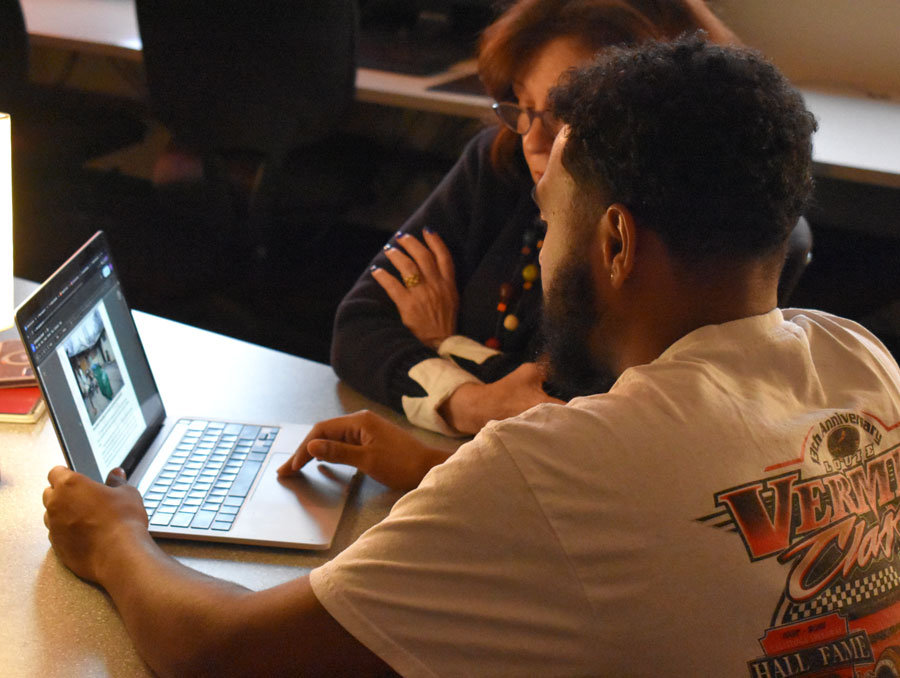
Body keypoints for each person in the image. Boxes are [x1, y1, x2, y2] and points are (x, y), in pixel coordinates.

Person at [43, 37, 900, 675]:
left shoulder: (563, 465)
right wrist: (432, 474)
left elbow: (221, 655)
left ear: (615, 242)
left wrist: (117, 537)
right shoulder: (858, 361)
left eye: (550, 220)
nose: (542, 242)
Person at [331, 0, 739, 436]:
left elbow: (582, 411)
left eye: (564, 116)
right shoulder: (499, 162)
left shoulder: (669, 238)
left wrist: (441, 344)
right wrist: (469, 403)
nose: (533, 139)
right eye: (523, 105)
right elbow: (357, 326)